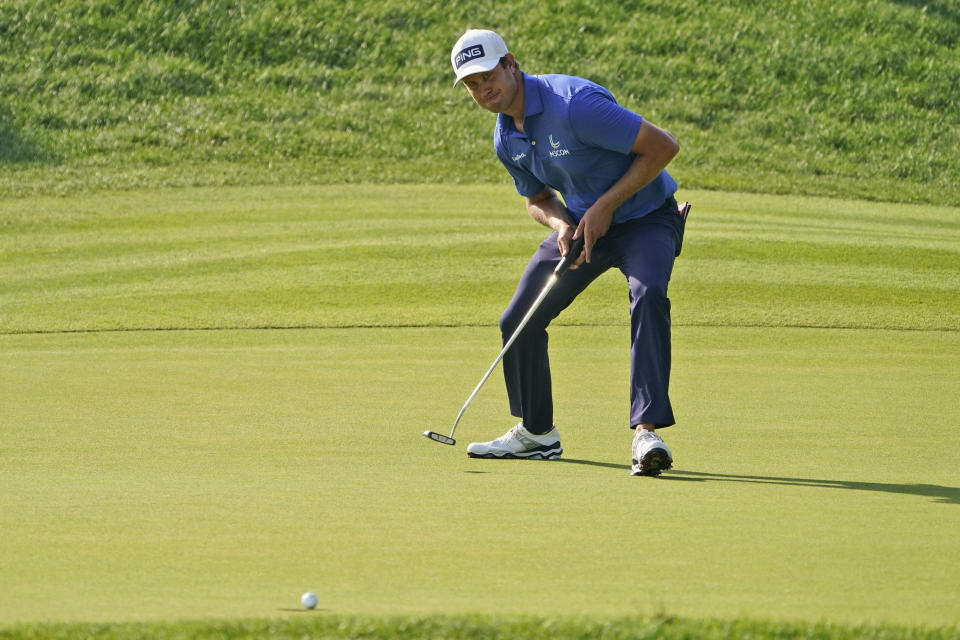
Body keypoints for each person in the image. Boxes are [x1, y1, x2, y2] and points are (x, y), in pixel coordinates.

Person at [450, 29, 686, 476]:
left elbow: (663, 147)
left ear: (511, 63)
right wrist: (562, 224)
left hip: (648, 217)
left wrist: (605, 206)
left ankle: (646, 433)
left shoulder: (575, 105)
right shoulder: (506, 138)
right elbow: (537, 199)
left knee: (648, 292)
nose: (483, 90)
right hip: (584, 227)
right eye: (472, 85)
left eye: (488, 77)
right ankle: (537, 434)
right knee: (518, 318)